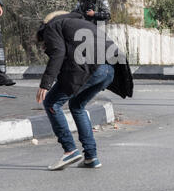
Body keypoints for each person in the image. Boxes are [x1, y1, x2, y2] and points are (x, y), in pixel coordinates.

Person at [36, 10, 133, 170]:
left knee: (52, 103)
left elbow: (58, 54)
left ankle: (70, 150)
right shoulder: (81, 23)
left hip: (92, 68)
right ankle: (91, 157)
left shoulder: (52, 26)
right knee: (76, 105)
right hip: (110, 70)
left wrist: (45, 83)